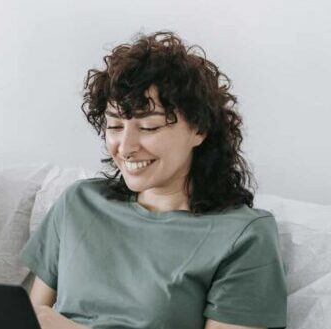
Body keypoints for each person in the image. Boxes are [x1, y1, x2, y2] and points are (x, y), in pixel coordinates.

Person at [21, 32, 287, 329]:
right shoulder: (79, 203)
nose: (126, 146)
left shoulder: (243, 236)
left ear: (198, 129)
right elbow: (26, 317)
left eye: (149, 127)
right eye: (115, 125)